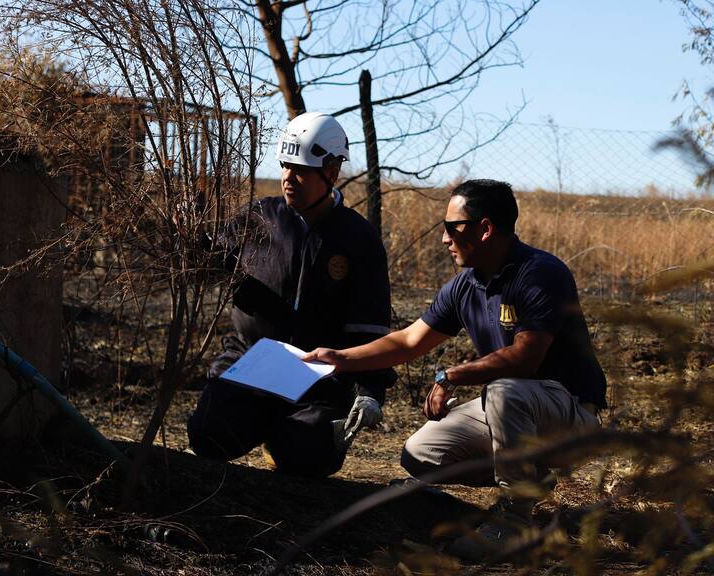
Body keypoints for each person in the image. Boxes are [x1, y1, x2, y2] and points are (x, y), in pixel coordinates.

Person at [303, 179, 607, 557]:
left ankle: (513, 523)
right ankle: (530, 479)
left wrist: (451, 375)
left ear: (485, 229)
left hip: (570, 415)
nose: (444, 238)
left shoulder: (540, 273)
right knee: (420, 454)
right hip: (513, 410)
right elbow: (408, 340)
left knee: (504, 390)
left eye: (452, 227)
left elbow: (524, 358)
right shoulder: (465, 285)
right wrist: (342, 359)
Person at [187, 112, 395, 477]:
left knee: (307, 459)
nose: (288, 178)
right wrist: (188, 239)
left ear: (331, 172)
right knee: (207, 436)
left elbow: (371, 324)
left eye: (300, 169)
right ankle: (262, 421)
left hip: (321, 375)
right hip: (250, 361)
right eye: (285, 165)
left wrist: (371, 389)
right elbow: (207, 266)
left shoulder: (358, 238)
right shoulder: (257, 218)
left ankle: (286, 438)